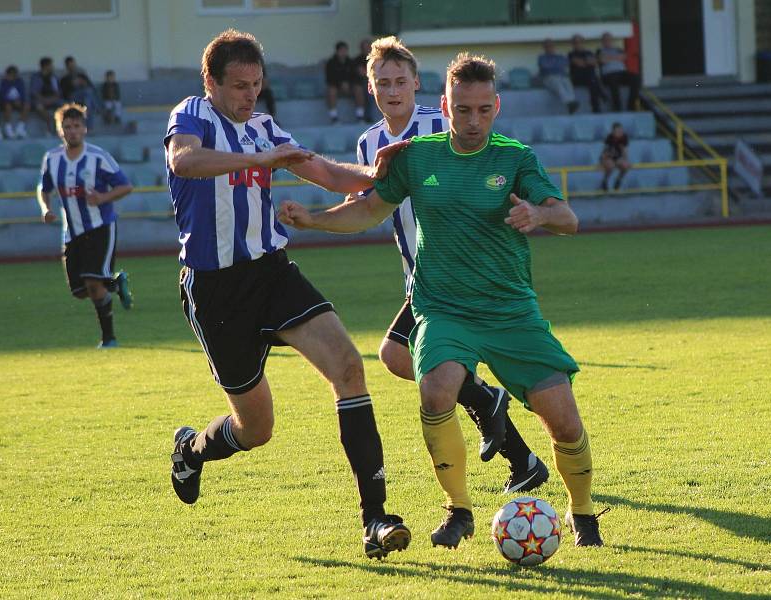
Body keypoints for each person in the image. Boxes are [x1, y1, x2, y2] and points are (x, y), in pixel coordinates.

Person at [280, 52, 606, 550]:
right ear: (444, 106)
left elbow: (568, 218)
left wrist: (539, 217)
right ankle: (459, 511)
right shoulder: (418, 155)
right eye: (462, 110)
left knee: (564, 421)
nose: (473, 121)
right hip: (443, 307)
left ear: (495, 107)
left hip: (510, 310)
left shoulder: (515, 158)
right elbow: (368, 209)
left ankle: (582, 514)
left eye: (482, 110)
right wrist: (314, 220)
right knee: (436, 389)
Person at [165, 29, 410, 560]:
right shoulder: (191, 115)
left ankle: (375, 519)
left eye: (256, 85)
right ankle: (191, 450)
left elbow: (321, 171)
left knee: (349, 366)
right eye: (237, 86)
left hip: (272, 274)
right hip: (215, 292)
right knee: (257, 429)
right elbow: (184, 162)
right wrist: (263, 162)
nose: (249, 96)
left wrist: (375, 173)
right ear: (210, 82)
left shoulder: (263, 129)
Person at [355, 35, 549, 494]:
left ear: (418, 84)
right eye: (383, 82)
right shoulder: (368, 142)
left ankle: (499, 423)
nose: (393, 90)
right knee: (437, 368)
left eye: (401, 80)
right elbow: (367, 200)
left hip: (451, 277)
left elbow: (477, 148)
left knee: (398, 355)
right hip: (419, 277)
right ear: (371, 88)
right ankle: (522, 459)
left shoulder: (438, 126)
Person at [37, 103, 134, 348]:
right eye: (66, 127)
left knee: (92, 284)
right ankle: (114, 282)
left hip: (100, 226)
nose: (72, 131)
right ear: (59, 130)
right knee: (80, 291)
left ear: (85, 129)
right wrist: (46, 209)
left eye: (76, 126)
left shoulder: (97, 157)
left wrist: (102, 198)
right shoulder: (52, 159)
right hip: (72, 232)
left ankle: (109, 338)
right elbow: (43, 188)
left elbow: (125, 186)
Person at [597, 32, 640, 112]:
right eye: (605, 40)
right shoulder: (600, 50)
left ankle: (631, 105)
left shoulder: (618, 49)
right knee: (614, 80)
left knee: (636, 77)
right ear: (602, 41)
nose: (607, 41)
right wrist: (616, 57)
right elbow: (602, 60)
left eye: (609, 40)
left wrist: (609, 58)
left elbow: (624, 57)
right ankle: (617, 107)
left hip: (621, 72)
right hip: (608, 74)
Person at [325, 41, 366, 123]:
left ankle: (360, 116)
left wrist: (349, 84)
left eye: (345, 50)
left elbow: (356, 77)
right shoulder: (331, 63)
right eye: (341, 50)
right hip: (337, 87)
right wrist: (341, 84)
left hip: (350, 87)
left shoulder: (351, 62)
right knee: (331, 91)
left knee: (359, 89)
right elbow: (329, 78)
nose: (343, 52)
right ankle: (334, 118)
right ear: (337, 51)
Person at [537, 38, 579, 114]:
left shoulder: (560, 56)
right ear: (544, 47)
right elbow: (545, 66)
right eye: (547, 46)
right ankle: (568, 102)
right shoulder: (542, 57)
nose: (549, 48)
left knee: (567, 82)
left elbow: (565, 65)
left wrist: (553, 66)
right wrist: (556, 66)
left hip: (561, 76)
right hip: (548, 78)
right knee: (557, 82)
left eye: (551, 46)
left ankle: (572, 103)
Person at [568, 34, 606, 114]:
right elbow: (578, 63)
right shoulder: (571, 54)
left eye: (579, 42)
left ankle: (596, 107)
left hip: (590, 78)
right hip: (577, 78)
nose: (577, 44)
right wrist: (588, 62)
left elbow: (595, 63)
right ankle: (601, 94)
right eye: (575, 42)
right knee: (592, 78)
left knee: (592, 81)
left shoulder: (589, 52)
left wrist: (587, 62)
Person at [30, 57, 63, 134]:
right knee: (38, 106)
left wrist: (52, 99)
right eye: (51, 65)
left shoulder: (53, 77)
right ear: (45, 66)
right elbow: (34, 92)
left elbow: (58, 92)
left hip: (53, 99)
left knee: (64, 105)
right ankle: (48, 126)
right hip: (41, 100)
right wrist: (44, 100)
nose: (52, 67)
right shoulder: (36, 77)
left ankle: (61, 128)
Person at [0, 65, 29, 139]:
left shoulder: (19, 82)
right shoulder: (4, 82)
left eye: (13, 74)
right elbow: (2, 96)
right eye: (10, 74)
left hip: (18, 102)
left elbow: (23, 94)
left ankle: (20, 128)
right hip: (7, 102)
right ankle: (8, 128)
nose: (11, 76)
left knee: (26, 105)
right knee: (8, 106)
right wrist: (11, 101)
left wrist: (19, 100)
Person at [600, 121, 630, 191]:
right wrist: (602, 162)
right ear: (613, 131)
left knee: (626, 166)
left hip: (617, 158)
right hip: (608, 157)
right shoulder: (609, 138)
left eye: (621, 130)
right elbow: (604, 153)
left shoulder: (624, 137)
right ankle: (605, 181)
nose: (620, 132)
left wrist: (625, 160)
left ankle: (618, 180)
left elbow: (625, 152)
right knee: (611, 166)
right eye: (618, 130)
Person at [353, 38, 375, 122]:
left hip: (375, 83)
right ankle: (362, 116)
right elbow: (361, 73)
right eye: (364, 48)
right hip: (360, 83)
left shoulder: (377, 59)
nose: (366, 50)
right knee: (363, 89)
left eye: (368, 47)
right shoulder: (357, 60)